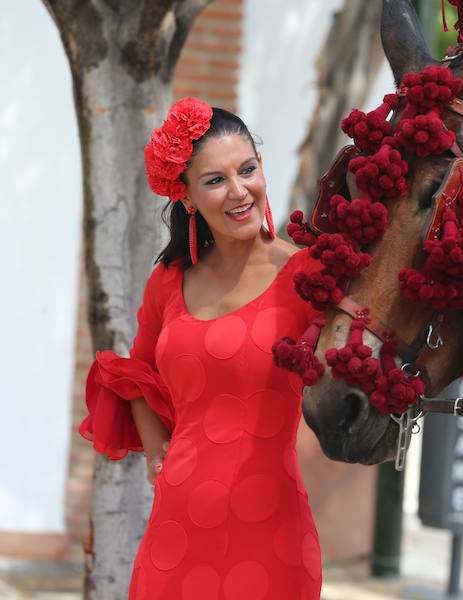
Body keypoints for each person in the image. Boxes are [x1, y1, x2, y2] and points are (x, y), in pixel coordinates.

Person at [79, 97, 322, 599]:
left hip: (270, 529)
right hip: (177, 529)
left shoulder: (308, 275)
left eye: (247, 170)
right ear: (187, 197)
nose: (239, 191)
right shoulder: (169, 281)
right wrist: (155, 456)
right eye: (215, 180)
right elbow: (131, 375)